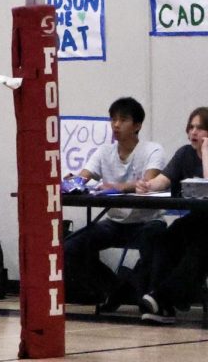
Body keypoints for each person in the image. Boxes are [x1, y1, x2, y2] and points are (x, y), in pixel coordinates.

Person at [62, 96, 165, 308]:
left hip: (147, 221)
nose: (116, 125)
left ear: (137, 125)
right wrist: (71, 180)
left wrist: (118, 186)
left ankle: (143, 293)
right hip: (115, 222)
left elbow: (150, 181)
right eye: (113, 120)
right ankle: (114, 287)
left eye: (123, 120)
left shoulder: (153, 150)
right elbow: (83, 177)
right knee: (70, 248)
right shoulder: (104, 152)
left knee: (155, 241)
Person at [134, 106, 208, 324]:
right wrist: (147, 185)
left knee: (200, 248)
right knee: (166, 239)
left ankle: (160, 298)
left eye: (201, 128)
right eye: (191, 127)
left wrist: (206, 152)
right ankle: (161, 304)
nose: (194, 132)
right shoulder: (184, 153)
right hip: (197, 219)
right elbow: (164, 179)